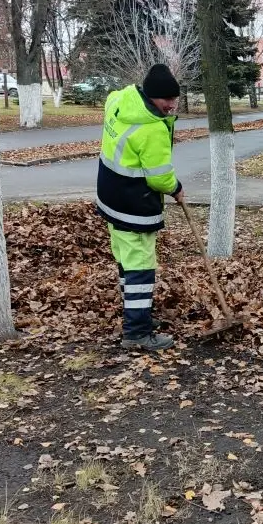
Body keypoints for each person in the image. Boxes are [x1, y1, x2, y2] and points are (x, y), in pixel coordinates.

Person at [96, 63, 184, 350]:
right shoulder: (151, 130)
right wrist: (176, 188)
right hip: (134, 204)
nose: (171, 105)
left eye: (174, 99)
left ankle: (137, 312)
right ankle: (136, 332)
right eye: (166, 100)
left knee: (125, 260)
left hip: (111, 196)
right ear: (152, 95)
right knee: (140, 267)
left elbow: (111, 97)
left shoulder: (120, 100)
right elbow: (159, 178)